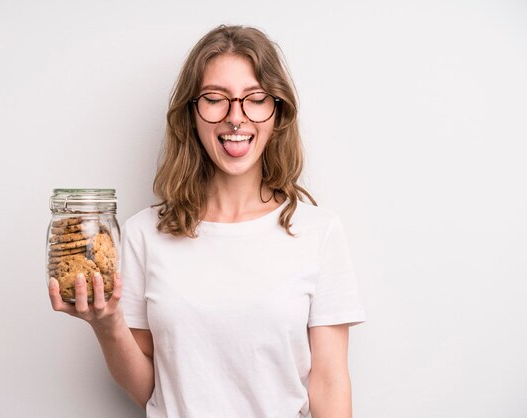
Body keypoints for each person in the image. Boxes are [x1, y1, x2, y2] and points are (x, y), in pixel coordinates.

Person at [49, 24, 365, 418]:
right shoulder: (142, 235)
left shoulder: (319, 233)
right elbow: (149, 389)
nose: (236, 117)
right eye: (216, 99)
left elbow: (330, 383)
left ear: (277, 111)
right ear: (191, 113)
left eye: (255, 98)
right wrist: (108, 324)